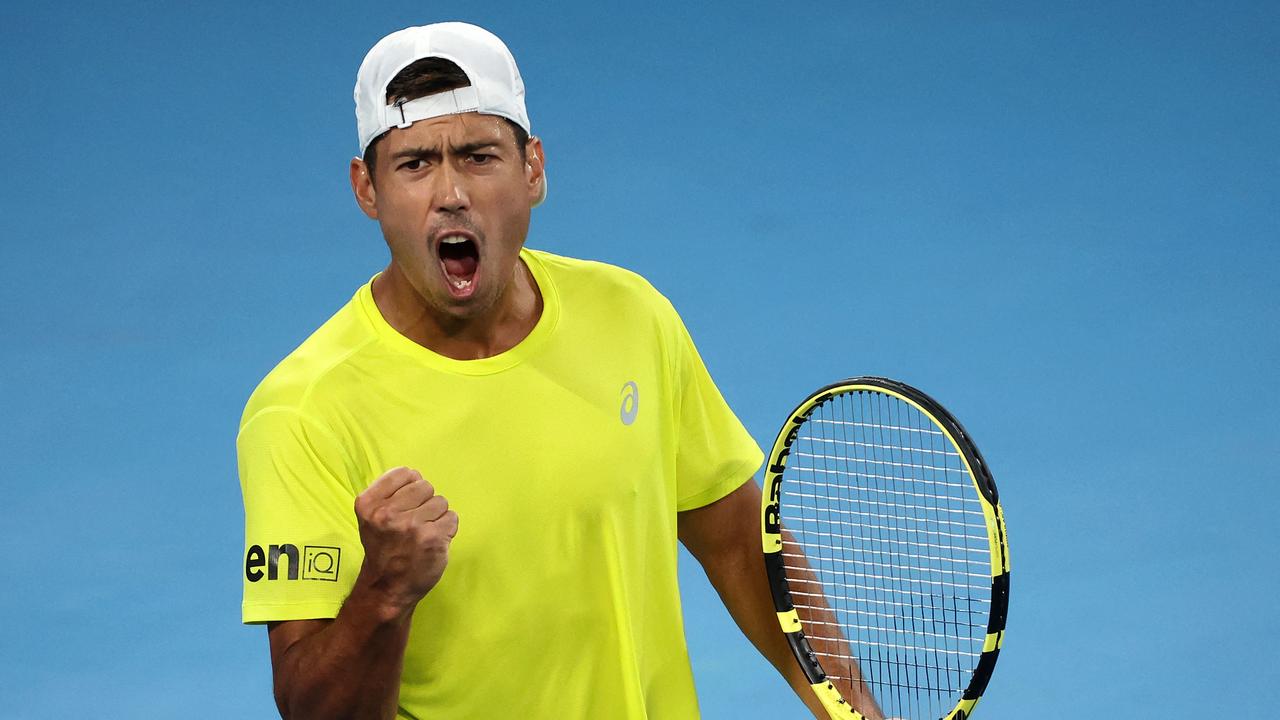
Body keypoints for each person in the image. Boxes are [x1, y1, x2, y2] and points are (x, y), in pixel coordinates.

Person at [237, 21, 881, 720]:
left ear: (533, 169)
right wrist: (382, 596)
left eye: (479, 156)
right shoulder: (302, 411)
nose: (450, 192)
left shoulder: (632, 317)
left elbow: (736, 540)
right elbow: (310, 709)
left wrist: (854, 710)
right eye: (415, 164)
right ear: (367, 189)